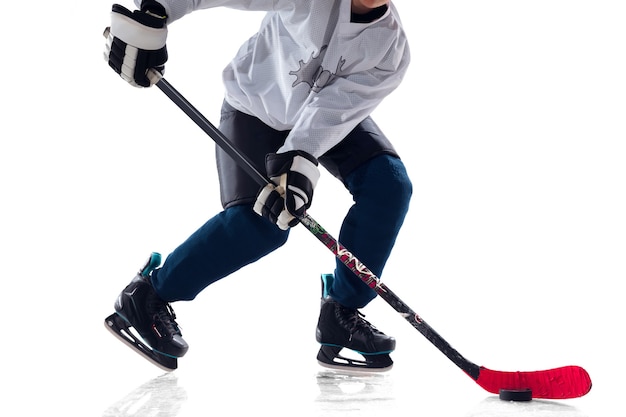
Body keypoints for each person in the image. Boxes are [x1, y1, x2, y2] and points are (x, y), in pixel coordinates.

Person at [103, 0, 413, 372]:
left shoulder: (390, 50)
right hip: (254, 107)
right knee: (259, 227)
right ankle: (147, 296)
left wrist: (298, 162)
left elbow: (334, 110)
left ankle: (341, 314)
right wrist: (154, 11)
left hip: (321, 113)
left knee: (388, 186)